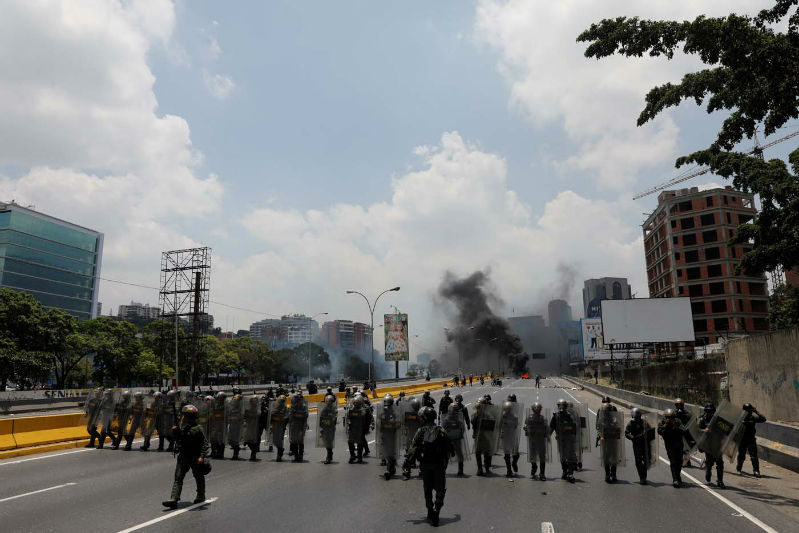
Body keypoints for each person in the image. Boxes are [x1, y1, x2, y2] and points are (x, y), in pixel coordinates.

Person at [403, 406, 455, 527]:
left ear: (425, 418)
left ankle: (429, 511)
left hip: (425, 465)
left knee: (428, 489)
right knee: (440, 489)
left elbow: (413, 448)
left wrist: (407, 463)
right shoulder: (441, 430)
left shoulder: (420, 431)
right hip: (439, 465)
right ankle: (437, 510)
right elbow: (450, 447)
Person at [162, 405, 209, 509]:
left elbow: (205, 444)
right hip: (184, 456)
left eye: (186, 416)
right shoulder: (183, 428)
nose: (184, 418)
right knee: (178, 477)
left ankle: (200, 495)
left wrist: (201, 457)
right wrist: (175, 431)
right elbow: (178, 440)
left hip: (195, 457)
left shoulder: (198, 429)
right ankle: (174, 499)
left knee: (198, 476)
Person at [658, 409, 691, 488]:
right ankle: (675, 479)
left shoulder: (678, 421)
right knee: (673, 461)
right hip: (669, 444)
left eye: (671, 417)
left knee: (679, 462)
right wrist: (666, 425)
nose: (670, 419)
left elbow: (685, 430)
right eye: (668, 417)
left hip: (678, 443)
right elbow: (659, 431)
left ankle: (678, 476)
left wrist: (677, 426)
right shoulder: (663, 422)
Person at [550, 399, 578, 483]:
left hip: (568, 438)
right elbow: (551, 427)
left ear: (566, 407)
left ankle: (570, 473)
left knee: (569, 455)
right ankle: (564, 471)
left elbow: (574, 427)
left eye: (563, 406)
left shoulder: (570, 416)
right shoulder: (555, 416)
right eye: (560, 406)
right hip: (560, 438)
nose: (561, 408)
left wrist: (573, 436)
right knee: (562, 456)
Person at [698, 403, 725, 488]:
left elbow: (725, 430)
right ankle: (708, 470)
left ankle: (720, 481)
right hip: (708, 444)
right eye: (707, 411)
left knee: (720, 463)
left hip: (717, 444)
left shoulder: (718, 420)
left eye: (711, 411)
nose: (709, 412)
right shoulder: (702, 419)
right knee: (710, 463)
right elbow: (697, 431)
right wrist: (704, 430)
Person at [625, 408, 654, 484]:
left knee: (646, 460)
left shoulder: (644, 423)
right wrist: (633, 437)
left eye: (637, 416)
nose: (636, 417)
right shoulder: (630, 423)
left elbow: (651, 431)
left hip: (645, 444)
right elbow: (626, 433)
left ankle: (644, 476)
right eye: (635, 416)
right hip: (637, 444)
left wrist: (646, 434)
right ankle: (641, 477)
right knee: (638, 461)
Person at [596, 397, 622, 483]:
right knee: (613, 455)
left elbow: (598, 425)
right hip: (612, 434)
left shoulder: (602, 409)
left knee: (607, 456)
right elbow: (618, 422)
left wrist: (599, 435)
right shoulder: (612, 408)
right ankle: (612, 475)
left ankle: (609, 475)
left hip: (606, 435)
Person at [737, 403, 766, 477]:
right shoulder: (739, 418)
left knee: (754, 456)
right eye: (747, 410)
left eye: (750, 410)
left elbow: (763, 419)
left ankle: (756, 471)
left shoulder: (752, 418)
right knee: (741, 455)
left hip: (751, 439)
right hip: (742, 439)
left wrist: (756, 412)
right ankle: (739, 467)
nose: (748, 412)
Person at [377, 394, 401, 479]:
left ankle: (388, 469)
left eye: (388, 402)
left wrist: (392, 424)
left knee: (390, 452)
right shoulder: (383, 411)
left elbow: (398, 423)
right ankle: (391, 467)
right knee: (386, 451)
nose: (386, 404)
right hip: (384, 434)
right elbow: (378, 421)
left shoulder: (395, 411)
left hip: (392, 435)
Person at [441, 404, 468, 476]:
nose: (454, 412)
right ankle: (460, 470)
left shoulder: (447, 420)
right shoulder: (454, 420)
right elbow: (462, 429)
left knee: (448, 455)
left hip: (451, 440)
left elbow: (442, 430)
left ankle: (445, 469)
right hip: (453, 440)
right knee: (453, 454)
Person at [524, 402, 549, 481]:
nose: (537, 409)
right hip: (533, 439)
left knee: (542, 457)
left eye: (538, 408)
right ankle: (534, 466)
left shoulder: (543, 418)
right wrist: (526, 429)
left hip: (541, 440)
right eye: (535, 408)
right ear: (532, 409)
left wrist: (546, 434)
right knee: (532, 456)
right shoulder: (529, 418)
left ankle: (542, 474)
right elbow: (525, 426)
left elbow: (546, 428)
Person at [500, 399, 522, 477]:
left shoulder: (514, 416)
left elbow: (516, 425)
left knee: (516, 454)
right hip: (505, 436)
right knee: (507, 455)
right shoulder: (502, 416)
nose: (507, 410)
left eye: (508, 409)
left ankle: (514, 463)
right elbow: (499, 426)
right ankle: (509, 470)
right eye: (506, 409)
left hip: (513, 436)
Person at [289, 391, 309, 463]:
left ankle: (300, 456)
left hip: (300, 425)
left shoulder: (303, 405)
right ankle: (296, 456)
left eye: (296, 397)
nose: (295, 399)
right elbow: (290, 414)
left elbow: (306, 414)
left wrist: (297, 414)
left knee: (300, 441)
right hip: (294, 425)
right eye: (295, 398)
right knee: (294, 441)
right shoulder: (293, 405)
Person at [346, 396, 368, 464]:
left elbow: (366, 420)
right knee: (350, 442)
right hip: (352, 428)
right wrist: (349, 424)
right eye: (355, 403)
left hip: (360, 429)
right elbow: (348, 419)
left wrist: (365, 429)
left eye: (358, 403)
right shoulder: (351, 410)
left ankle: (359, 457)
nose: (356, 404)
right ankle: (352, 455)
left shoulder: (363, 410)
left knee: (360, 443)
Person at [317, 394, 338, 464]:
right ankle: (330, 453)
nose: (329, 402)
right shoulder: (325, 409)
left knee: (329, 442)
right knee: (326, 442)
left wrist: (331, 420)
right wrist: (321, 427)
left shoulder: (334, 409)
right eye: (328, 401)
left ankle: (328, 457)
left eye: (330, 401)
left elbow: (334, 419)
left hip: (331, 428)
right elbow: (321, 418)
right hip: (325, 428)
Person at [269, 395, 289, 462]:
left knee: (280, 440)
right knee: (274, 440)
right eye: (281, 400)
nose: (281, 402)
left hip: (281, 426)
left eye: (283, 401)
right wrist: (271, 424)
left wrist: (283, 419)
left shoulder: (285, 408)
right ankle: (280, 449)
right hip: (275, 425)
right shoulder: (274, 407)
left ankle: (279, 455)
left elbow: (287, 417)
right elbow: (271, 415)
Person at [208, 392, 226, 459]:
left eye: (220, 398)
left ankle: (220, 453)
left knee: (220, 439)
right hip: (214, 423)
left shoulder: (225, 405)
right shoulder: (215, 404)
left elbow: (224, 415)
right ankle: (213, 452)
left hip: (221, 424)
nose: (218, 399)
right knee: (213, 437)